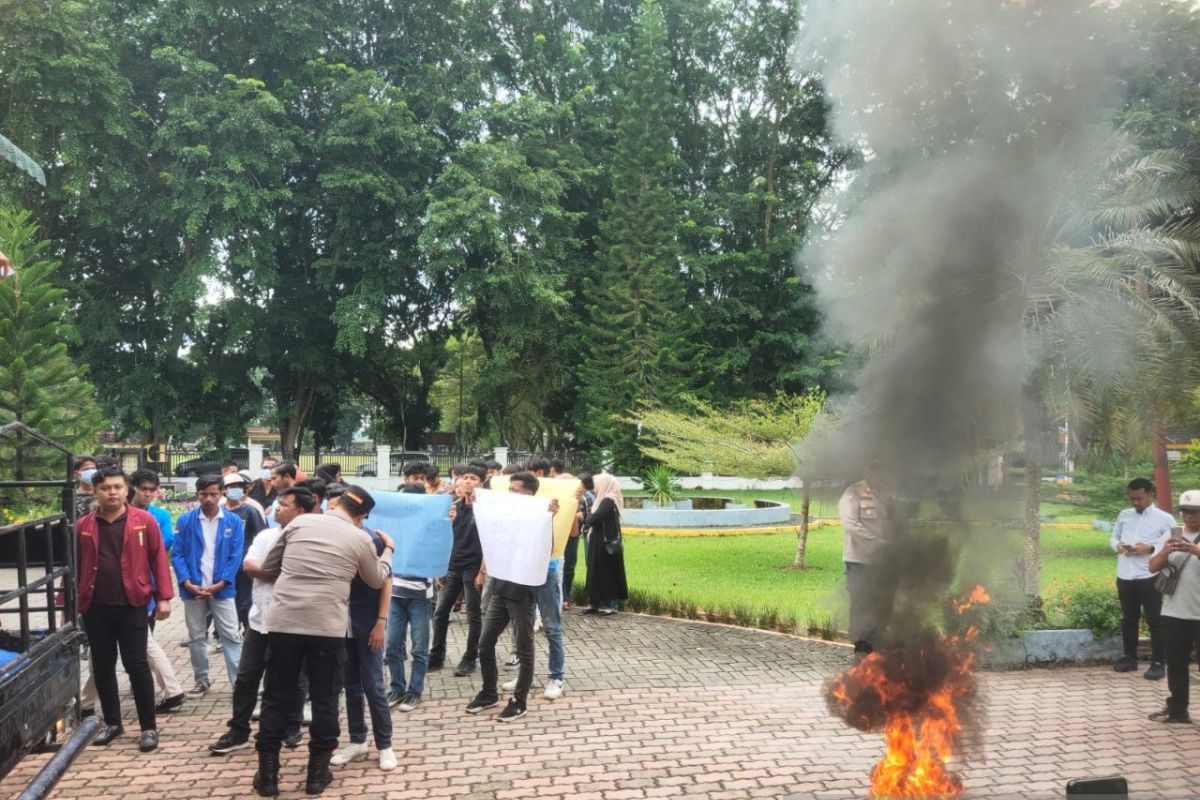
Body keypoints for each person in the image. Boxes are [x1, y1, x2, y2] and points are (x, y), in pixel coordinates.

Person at [252, 487, 395, 797]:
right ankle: (317, 776)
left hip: (284, 623)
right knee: (325, 699)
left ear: (333, 503)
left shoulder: (298, 524)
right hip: (326, 628)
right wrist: (388, 552)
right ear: (361, 517)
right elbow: (376, 579)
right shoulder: (360, 538)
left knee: (276, 698)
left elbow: (270, 568)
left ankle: (267, 776)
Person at [210, 487, 314, 755]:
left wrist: (268, 571)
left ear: (300, 512)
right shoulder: (266, 536)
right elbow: (249, 566)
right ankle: (238, 730)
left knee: (292, 679)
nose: (276, 508)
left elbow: (300, 576)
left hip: (292, 623)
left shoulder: (310, 542)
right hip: (259, 621)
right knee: (246, 678)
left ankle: (291, 728)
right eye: (278, 502)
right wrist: (279, 572)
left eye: (284, 504)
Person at [76, 467, 174, 751]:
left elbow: (158, 559)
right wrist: (73, 601)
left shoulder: (143, 521)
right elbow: (77, 565)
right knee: (102, 666)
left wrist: (164, 597)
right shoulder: (84, 525)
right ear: (95, 491)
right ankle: (112, 722)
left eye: (117, 487)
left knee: (137, 665)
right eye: (106, 488)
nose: (112, 493)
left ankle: (148, 727)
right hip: (95, 606)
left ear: (126, 489)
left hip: (133, 603)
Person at [467, 473, 558, 722]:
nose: (511, 493)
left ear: (529, 494)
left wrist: (548, 516)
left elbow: (546, 550)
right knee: (485, 644)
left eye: (516, 490)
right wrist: (477, 502)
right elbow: (488, 529)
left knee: (524, 650)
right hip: (501, 590)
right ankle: (489, 693)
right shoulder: (506, 515)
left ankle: (520, 701)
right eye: (510, 489)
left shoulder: (540, 517)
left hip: (523, 594)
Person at [326, 484, 397, 769]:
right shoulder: (324, 536)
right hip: (338, 622)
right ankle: (357, 740)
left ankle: (385, 745)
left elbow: (386, 581)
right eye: (331, 507)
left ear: (360, 516)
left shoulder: (372, 540)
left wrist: (380, 622)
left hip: (367, 621)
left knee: (373, 686)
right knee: (350, 685)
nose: (333, 513)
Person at [173, 475, 245, 695]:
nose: (209, 499)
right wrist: (186, 581)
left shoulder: (233, 522)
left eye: (214, 493)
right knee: (196, 635)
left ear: (222, 493)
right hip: (193, 588)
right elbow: (177, 554)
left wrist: (222, 582)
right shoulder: (186, 521)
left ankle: (239, 683)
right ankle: (201, 679)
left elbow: (236, 555)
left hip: (223, 588)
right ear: (198, 495)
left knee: (231, 635)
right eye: (204, 494)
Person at [127, 469, 185, 713]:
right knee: (137, 642)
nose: (149, 494)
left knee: (141, 640)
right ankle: (159, 687)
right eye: (144, 489)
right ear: (133, 488)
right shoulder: (121, 512)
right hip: (125, 585)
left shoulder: (158, 515)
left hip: (145, 585)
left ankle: (169, 690)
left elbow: (163, 546)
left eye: (153, 489)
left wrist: (162, 595)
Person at [1111, 477, 1173, 679]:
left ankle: (1158, 662)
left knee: (1155, 620)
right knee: (1129, 618)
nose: (1136, 503)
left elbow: (1173, 544)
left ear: (1150, 494)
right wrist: (1118, 546)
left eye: (1139, 498)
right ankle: (1130, 657)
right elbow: (1114, 537)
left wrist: (1151, 547)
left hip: (1150, 575)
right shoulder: (1124, 515)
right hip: (1125, 573)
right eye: (1132, 499)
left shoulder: (1164, 519)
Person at [428, 465, 486, 678]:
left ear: (481, 483)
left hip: (473, 568)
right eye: (465, 478)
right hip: (453, 566)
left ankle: (470, 657)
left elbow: (490, 543)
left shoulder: (484, 509)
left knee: (473, 614)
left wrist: (482, 571)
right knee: (441, 612)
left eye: (473, 478)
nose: (468, 482)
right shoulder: (452, 508)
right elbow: (443, 539)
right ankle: (436, 654)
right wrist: (441, 568)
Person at [1148, 490, 1200, 723]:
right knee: (1176, 662)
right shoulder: (1171, 535)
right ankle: (1178, 710)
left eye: (1195, 512)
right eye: (1186, 512)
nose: (1189, 517)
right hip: (1174, 611)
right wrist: (1166, 550)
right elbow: (1152, 567)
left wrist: (1196, 551)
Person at [384, 484, 436, 711]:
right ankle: (397, 688)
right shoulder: (392, 527)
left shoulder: (431, 526)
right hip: (395, 594)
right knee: (392, 645)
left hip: (420, 598)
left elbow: (441, 550)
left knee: (419, 648)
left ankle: (415, 691)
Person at [838, 468, 895, 657]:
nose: (876, 472)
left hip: (885, 562)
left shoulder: (888, 492)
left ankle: (878, 647)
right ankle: (862, 649)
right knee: (862, 604)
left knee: (884, 603)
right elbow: (851, 525)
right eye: (872, 467)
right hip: (859, 560)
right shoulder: (852, 493)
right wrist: (879, 545)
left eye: (880, 466)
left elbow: (895, 522)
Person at [223, 472, 268, 631]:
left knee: (245, 602)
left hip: (243, 564)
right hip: (224, 564)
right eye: (232, 486)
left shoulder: (250, 511)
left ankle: (249, 631)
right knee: (225, 601)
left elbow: (262, 534)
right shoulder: (220, 511)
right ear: (225, 490)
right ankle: (222, 634)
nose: (236, 490)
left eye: (239, 487)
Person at [581, 474, 628, 616]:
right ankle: (594, 603)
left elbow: (595, 518)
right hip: (598, 540)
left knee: (605, 572)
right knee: (595, 571)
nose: (595, 487)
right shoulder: (603, 498)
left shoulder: (608, 499)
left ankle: (609, 604)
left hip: (604, 541)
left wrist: (588, 518)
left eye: (598, 483)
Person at [562, 472, 593, 609]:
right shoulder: (555, 499)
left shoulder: (580, 499)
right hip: (557, 537)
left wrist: (575, 515)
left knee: (569, 567)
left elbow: (575, 531)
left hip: (572, 538)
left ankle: (565, 597)